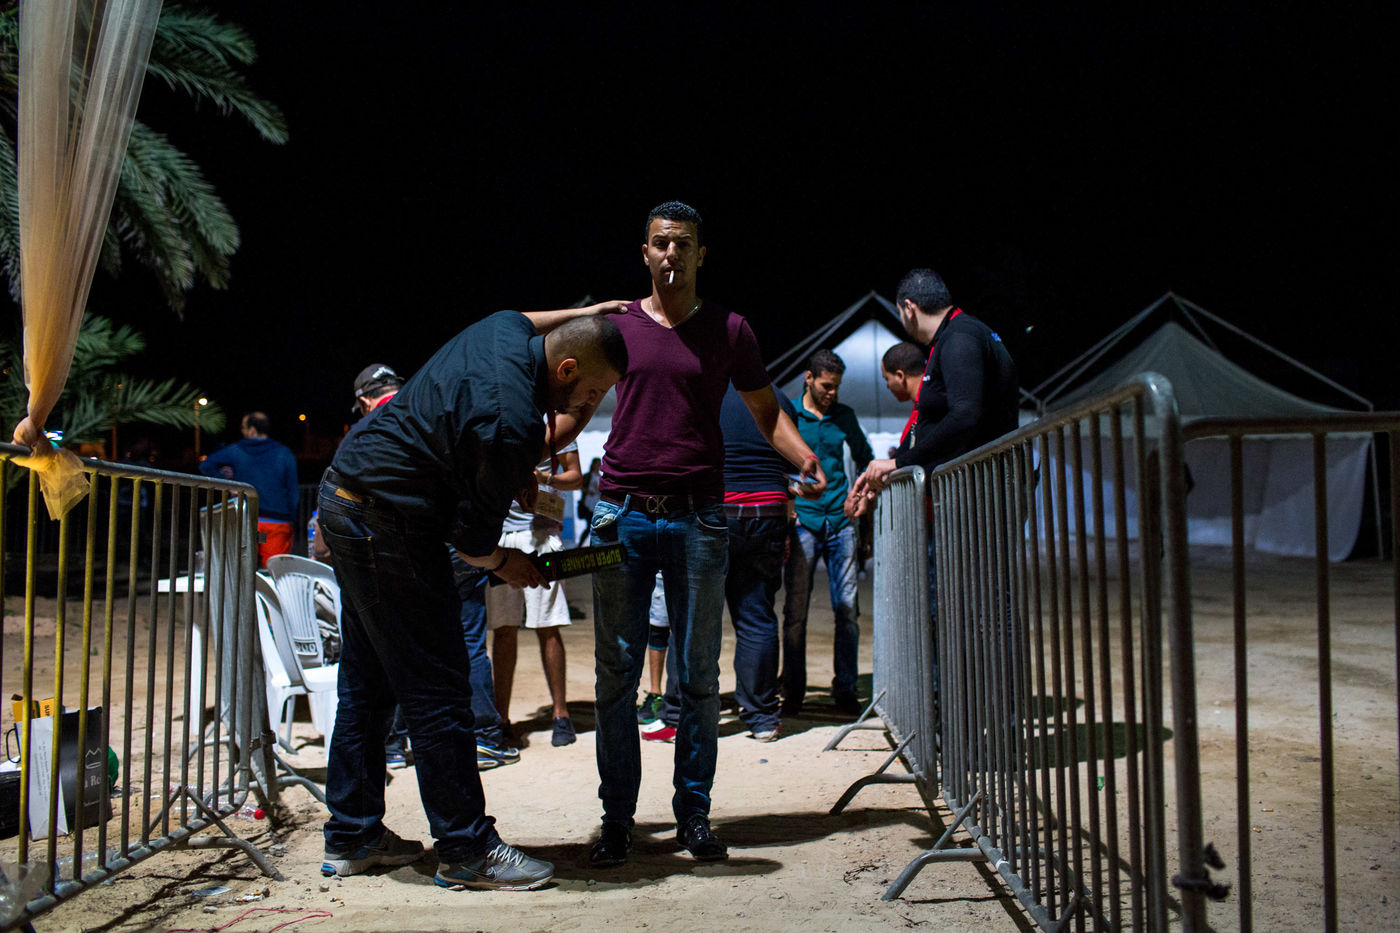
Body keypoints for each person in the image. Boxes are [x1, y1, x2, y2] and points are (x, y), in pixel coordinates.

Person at [317, 306, 627, 891]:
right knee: (438, 690)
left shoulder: (503, 330)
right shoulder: (511, 420)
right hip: (391, 525)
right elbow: (473, 544)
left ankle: (353, 835)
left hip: (345, 497)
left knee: (367, 683)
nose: (592, 405)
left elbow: (528, 316)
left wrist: (588, 312)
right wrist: (512, 565)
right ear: (565, 370)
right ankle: (466, 849)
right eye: (592, 393)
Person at [587, 200, 825, 869]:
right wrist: (533, 450)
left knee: (696, 675)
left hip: (699, 517)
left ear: (700, 254)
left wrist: (804, 458)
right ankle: (617, 819)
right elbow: (577, 404)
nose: (671, 254)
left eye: (683, 244)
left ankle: (693, 813)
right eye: (661, 243)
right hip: (623, 513)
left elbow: (765, 411)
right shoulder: (617, 328)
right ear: (645, 252)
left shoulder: (730, 329)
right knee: (616, 675)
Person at [339, 364, 519, 772]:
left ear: (364, 401)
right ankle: (484, 737)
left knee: (399, 645)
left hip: (406, 551)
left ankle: (394, 743)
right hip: (461, 545)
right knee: (469, 643)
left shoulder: (367, 431)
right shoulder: (430, 412)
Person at [782, 350, 873, 717]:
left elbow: (866, 458)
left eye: (836, 387)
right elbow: (775, 460)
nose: (832, 393)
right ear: (808, 378)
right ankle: (793, 691)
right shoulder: (789, 414)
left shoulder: (844, 416)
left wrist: (861, 494)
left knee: (847, 610)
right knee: (795, 612)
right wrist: (791, 494)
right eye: (826, 386)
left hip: (840, 520)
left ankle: (845, 688)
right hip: (803, 521)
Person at [487, 424, 582, 748]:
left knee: (548, 626)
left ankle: (561, 714)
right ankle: (501, 718)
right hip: (502, 538)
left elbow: (576, 477)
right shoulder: (498, 422)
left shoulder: (556, 427)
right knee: (504, 629)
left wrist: (545, 479)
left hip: (542, 535)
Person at [199, 411, 299, 567]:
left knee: (242, 571)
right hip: (277, 521)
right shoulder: (284, 452)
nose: (242, 431)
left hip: (245, 519)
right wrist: (290, 517)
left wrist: (226, 482)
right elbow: (293, 491)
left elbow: (206, 465)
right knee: (276, 571)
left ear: (252, 430)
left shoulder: (237, 450)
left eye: (243, 427)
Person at [576, 458, 602, 546]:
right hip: (588, 505)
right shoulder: (587, 476)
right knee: (590, 526)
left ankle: (592, 544)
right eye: (597, 464)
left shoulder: (601, 477)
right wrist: (588, 491)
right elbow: (580, 486)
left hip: (597, 505)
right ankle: (581, 544)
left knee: (594, 526)